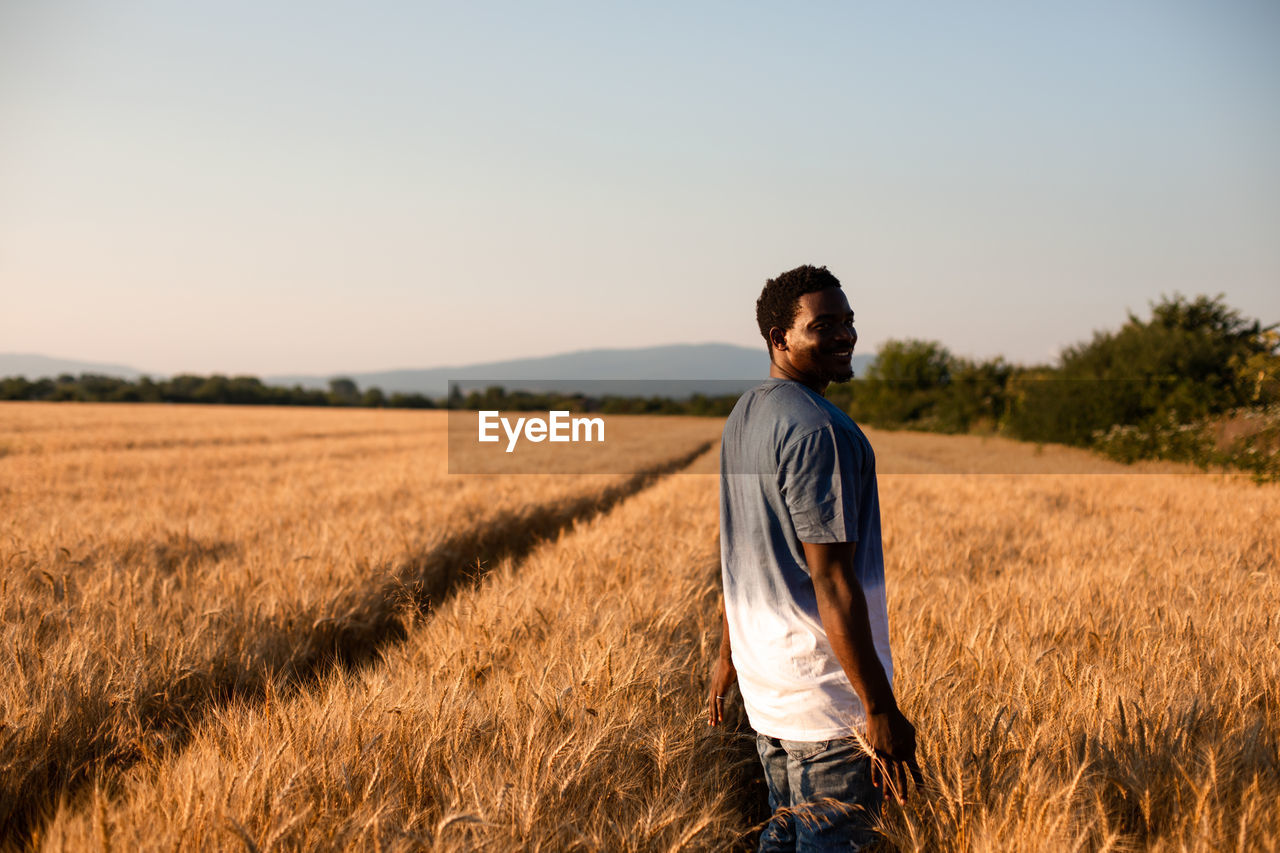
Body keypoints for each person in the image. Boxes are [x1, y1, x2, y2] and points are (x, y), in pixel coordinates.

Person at [708, 264, 920, 852]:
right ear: (779, 338)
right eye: (822, 325)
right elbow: (831, 579)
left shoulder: (746, 415)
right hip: (825, 703)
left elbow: (741, 551)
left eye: (848, 322)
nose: (845, 335)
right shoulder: (817, 430)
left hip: (769, 691)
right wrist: (879, 708)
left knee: (780, 840)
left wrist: (729, 655)